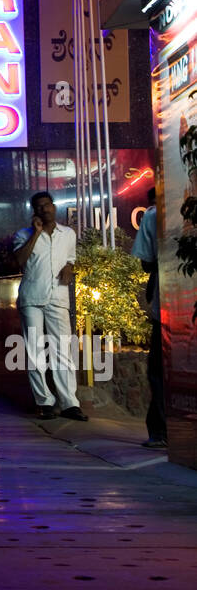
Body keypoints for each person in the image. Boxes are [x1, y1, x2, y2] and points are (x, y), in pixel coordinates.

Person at [13, 191, 87, 421]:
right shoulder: (23, 235)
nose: (44, 209)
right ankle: (44, 402)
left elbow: (71, 258)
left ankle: (69, 404)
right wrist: (36, 234)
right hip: (32, 298)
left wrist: (70, 267)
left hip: (58, 297)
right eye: (39, 207)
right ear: (34, 211)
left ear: (54, 207)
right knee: (35, 352)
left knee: (63, 350)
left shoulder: (68, 234)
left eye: (47, 205)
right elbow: (19, 261)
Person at [132, 188, 165, 448]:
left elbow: (145, 261)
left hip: (167, 302)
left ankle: (160, 431)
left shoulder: (152, 215)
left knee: (159, 369)